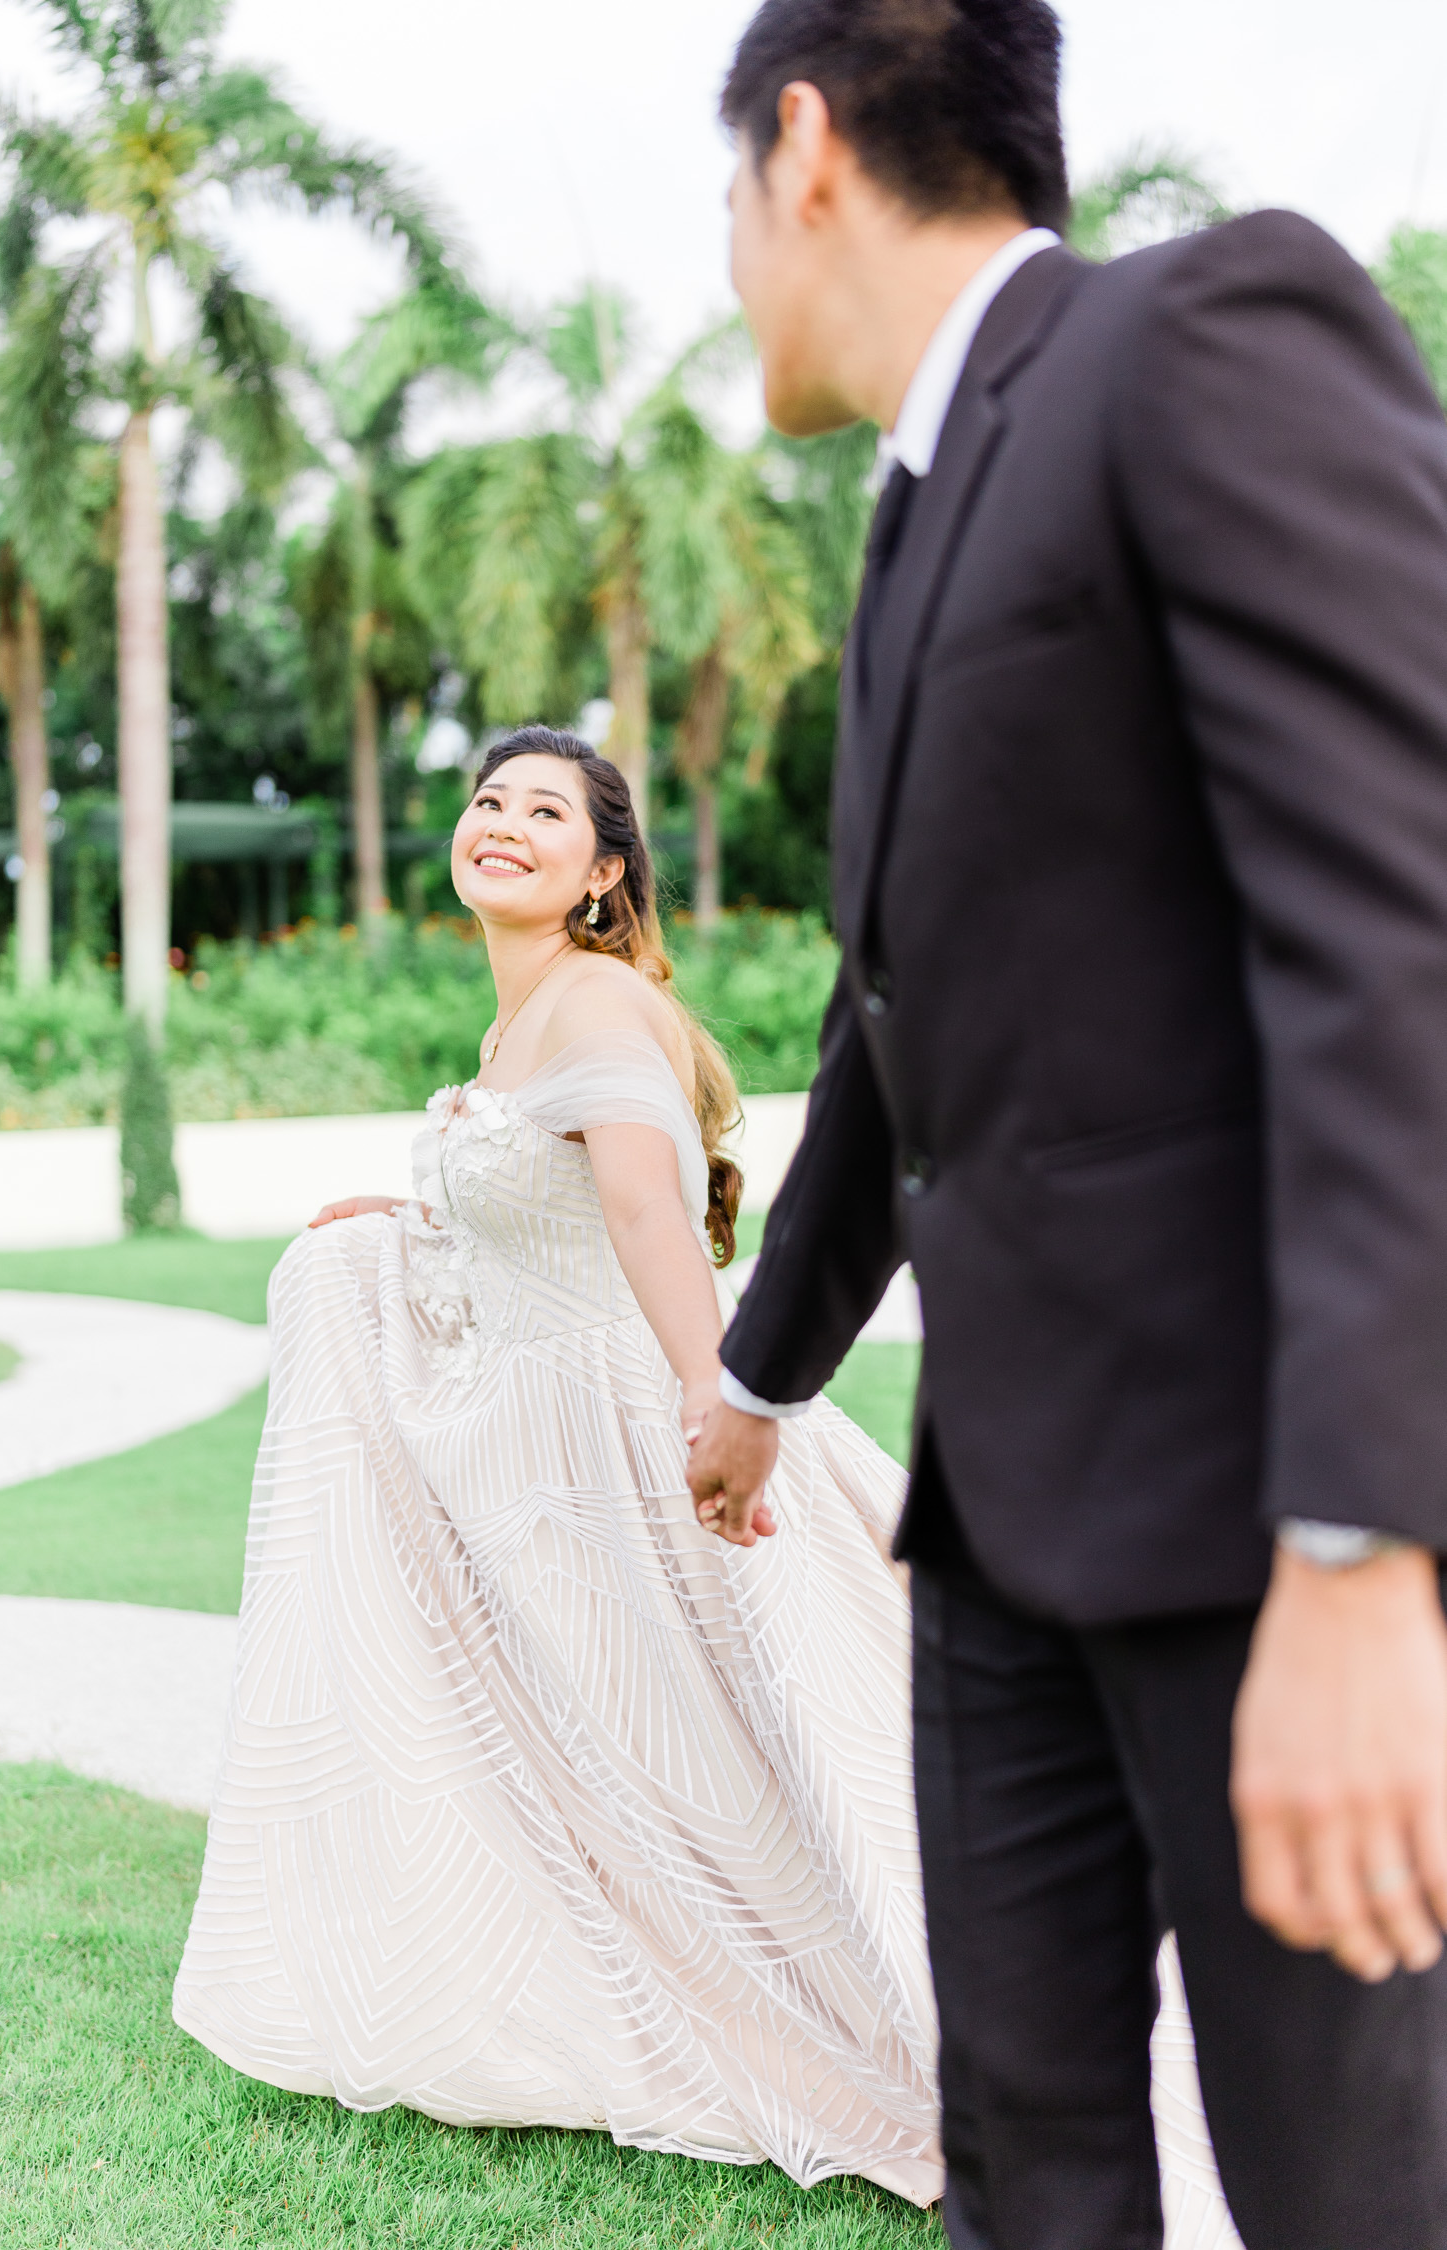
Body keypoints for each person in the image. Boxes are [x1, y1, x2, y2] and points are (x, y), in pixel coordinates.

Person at [686, 3, 1447, 2246]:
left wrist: (1364, 1549)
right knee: (1024, 2163)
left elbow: (1399, 932)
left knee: (1352, 2191)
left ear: (805, 145)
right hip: (1004, 1527)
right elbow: (900, 1025)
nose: (729, 253)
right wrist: (758, 1375)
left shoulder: (1195, 340)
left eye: (726, 195)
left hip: (1256, 1534)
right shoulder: (915, 513)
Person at [171, 725, 945, 2204]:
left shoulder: (592, 1001)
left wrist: (716, 1401)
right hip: (546, 1447)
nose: (504, 822)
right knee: (637, 1767)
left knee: (759, 1764)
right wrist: (401, 1231)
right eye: (488, 800)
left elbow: (647, 1215)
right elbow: (543, 1219)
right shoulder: (519, 1021)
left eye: (546, 811)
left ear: (602, 874)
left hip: (629, 1431)